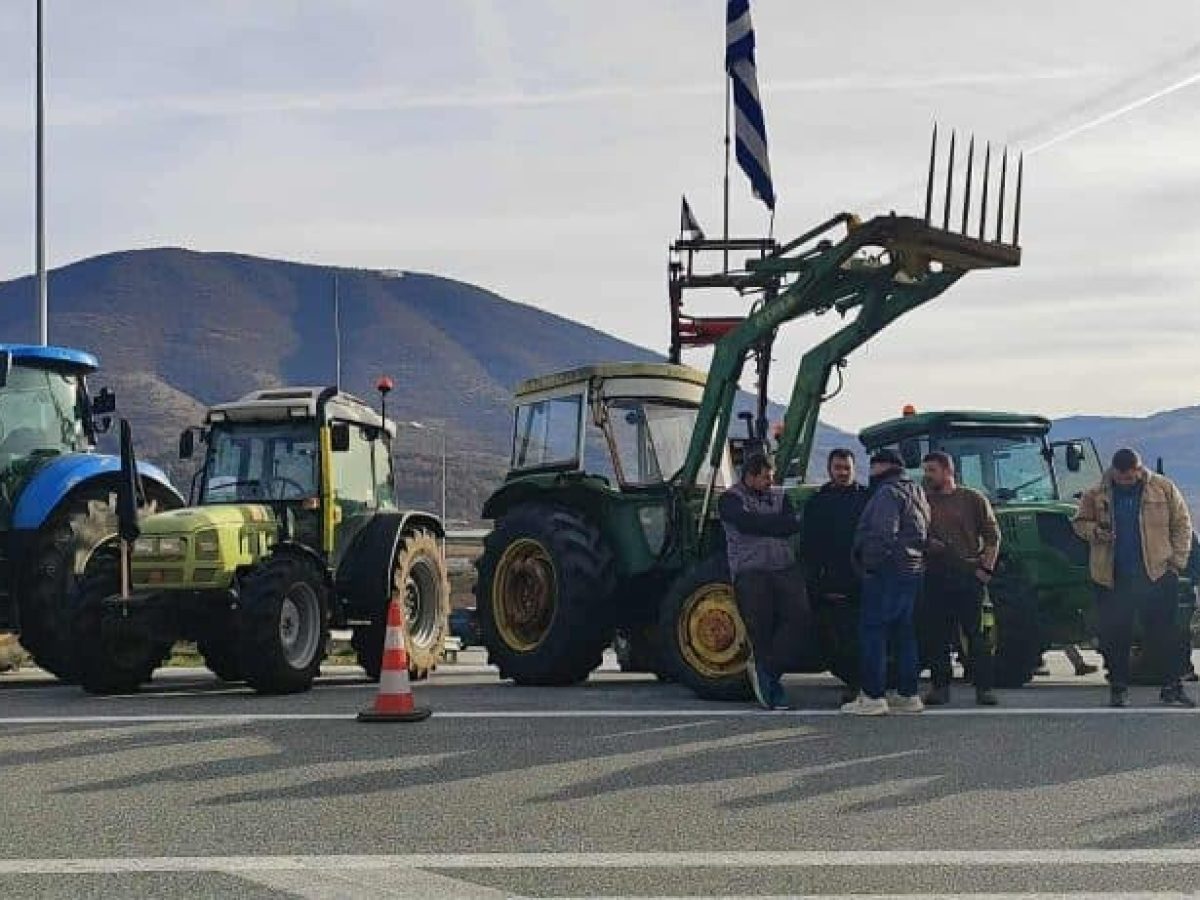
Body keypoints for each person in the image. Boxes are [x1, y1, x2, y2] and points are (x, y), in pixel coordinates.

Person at [1073, 448, 1195, 707]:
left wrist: (1176, 561)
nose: (1128, 481)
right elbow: (1079, 522)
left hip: (1157, 573)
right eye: (1123, 477)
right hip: (1113, 575)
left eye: (1132, 476)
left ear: (1139, 469)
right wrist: (1095, 532)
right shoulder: (1096, 493)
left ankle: (1172, 686)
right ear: (1114, 472)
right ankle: (1118, 687)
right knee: (1116, 634)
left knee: (1165, 633)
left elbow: (1182, 524)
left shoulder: (1163, 489)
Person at [843, 448, 930, 716]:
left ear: (883, 466)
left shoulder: (887, 493)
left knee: (873, 634)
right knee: (904, 634)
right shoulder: (916, 492)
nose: (870, 472)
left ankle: (872, 696)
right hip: (912, 570)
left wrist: (869, 564)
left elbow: (883, 533)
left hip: (886, 572)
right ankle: (908, 694)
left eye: (873, 466)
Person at [718, 452, 807, 710]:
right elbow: (747, 523)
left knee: (800, 617)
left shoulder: (781, 496)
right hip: (751, 571)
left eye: (772, 476)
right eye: (766, 477)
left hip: (783, 568)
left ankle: (768, 668)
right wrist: (775, 524)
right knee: (761, 626)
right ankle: (770, 687)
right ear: (750, 476)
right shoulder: (729, 499)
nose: (771, 481)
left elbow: (790, 525)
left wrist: (769, 524)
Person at [919, 451, 1002, 706]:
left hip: (967, 575)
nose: (927, 476)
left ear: (947, 471)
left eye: (932, 470)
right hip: (935, 576)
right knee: (937, 635)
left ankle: (984, 688)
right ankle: (940, 687)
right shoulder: (923, 501)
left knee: (975, 635)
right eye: (926, 470)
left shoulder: (972, 499)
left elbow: (993, 535)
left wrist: (985, 570)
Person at [802, 448, 869, 704]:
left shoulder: (867, 499)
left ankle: (868, 684)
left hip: (864, 579)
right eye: (838, 468)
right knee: (839, 637)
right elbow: (809, 547)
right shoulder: (818, 503)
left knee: (866, 635)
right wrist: (816, 581)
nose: (842, 472)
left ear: (854, 469)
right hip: (832, 580)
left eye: (846, 468)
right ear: (830, 470)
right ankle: (852, 683)